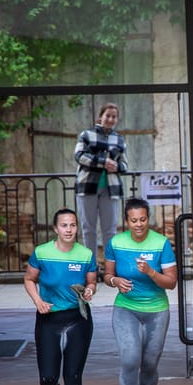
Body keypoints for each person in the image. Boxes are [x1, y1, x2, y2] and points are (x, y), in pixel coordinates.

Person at [103, 197, 177, 385]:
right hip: (126, 309)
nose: (138, 224)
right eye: (133, 220)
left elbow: (171, 282)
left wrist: (151, 272)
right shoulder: (116, 243)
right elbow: (107, 275)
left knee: (150, 364)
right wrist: (115, 282)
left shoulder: (161, 244)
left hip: (156, 310)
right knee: (130, 359)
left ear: (148, 219)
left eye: (143, 219)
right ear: (127, 221)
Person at [24, 208, 97, 385]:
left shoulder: (85, 255)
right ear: (56, 229)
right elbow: (29, 279)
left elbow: (92, 282)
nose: (69, 229)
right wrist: (38, 301)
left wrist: (89, 291)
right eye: (64, 225)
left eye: (73, 225)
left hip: (78, 319)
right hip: (49, 318)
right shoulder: (42, 252)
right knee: (48, 376)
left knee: (73, 374)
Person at [74, 102, 129, 276]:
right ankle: (91, 268)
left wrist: (116, 166)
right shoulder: (87, 135)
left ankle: (109, 269)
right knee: (88, 228)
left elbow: (125, 165)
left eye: (114, 117)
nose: (111, 119)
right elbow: (79, 156)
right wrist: (103, 162)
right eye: (108, 116)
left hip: (110, 188)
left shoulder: (119, 139)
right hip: (87, 186)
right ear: (101, 117)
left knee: (110, 229)